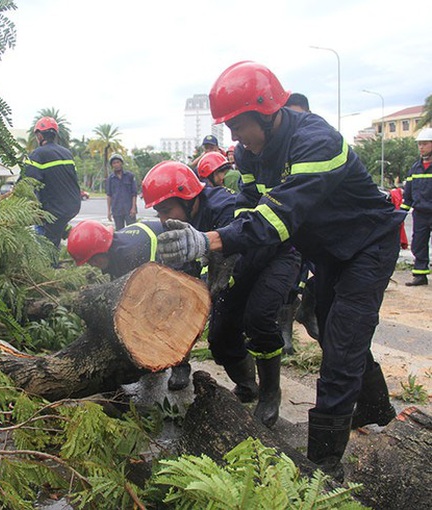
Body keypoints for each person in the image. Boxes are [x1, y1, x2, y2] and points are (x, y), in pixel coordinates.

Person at [157, 61, 404, 477]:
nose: (233, 139)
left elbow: (279, 217)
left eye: (238, 126)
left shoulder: (317, 141)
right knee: (330, 323)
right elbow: (248, 208)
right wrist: (224, 254)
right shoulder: (251, 155)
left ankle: (321, 468)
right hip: (328, 252)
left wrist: (209, 240)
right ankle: (377, 408)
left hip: (368, 245)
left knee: (341, 346)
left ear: (265, 112)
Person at [143, 161, 301, 427]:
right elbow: (186, 267)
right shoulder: (185, 218)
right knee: (220, 339)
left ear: (188, 197)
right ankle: (248, 384)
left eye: (166, 210)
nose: (163, 219)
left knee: (258, 319)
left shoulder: (223, 208)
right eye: (159, 212)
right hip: (238, 270)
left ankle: (270, 393)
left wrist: (212, 280)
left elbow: (238, 250)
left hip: (275, 257)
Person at [66, 219, 194, 390]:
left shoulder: (129, 255)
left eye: (92, 260)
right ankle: (156, 362)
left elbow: (144, 293)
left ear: (100, 251)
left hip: (180, 261)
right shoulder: (113, 251)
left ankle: (181, 366)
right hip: (153, 265)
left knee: (166, 314)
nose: (92, 265)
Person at [24, 117, 81, 255]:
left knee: (46, 242)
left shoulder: (37, 154)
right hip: (72, 206)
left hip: (53, 211)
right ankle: (61, 244)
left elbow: (26, 184)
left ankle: (49, 267)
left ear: (39, 135)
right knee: (55, 233)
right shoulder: (67, 154)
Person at [401, 127, 432, 286]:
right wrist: (400, 213)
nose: (421, 147)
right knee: (419, 243)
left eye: (425, 144)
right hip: (420, 213)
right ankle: (420, 275)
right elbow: (408, 193)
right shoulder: (415, 167)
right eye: (419, 144)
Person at [106, 153, 138, 230]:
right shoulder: (110, 178)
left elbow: (134, 193)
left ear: (121, 163)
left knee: (132, 230)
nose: (116, 164)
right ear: (112, 165)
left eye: (118, 162)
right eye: (114, 163)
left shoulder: (129, 176)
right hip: (117, 210)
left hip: (129, 209)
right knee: (120, 231)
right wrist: (109, 211)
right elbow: (109, 195)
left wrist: (133, 208)